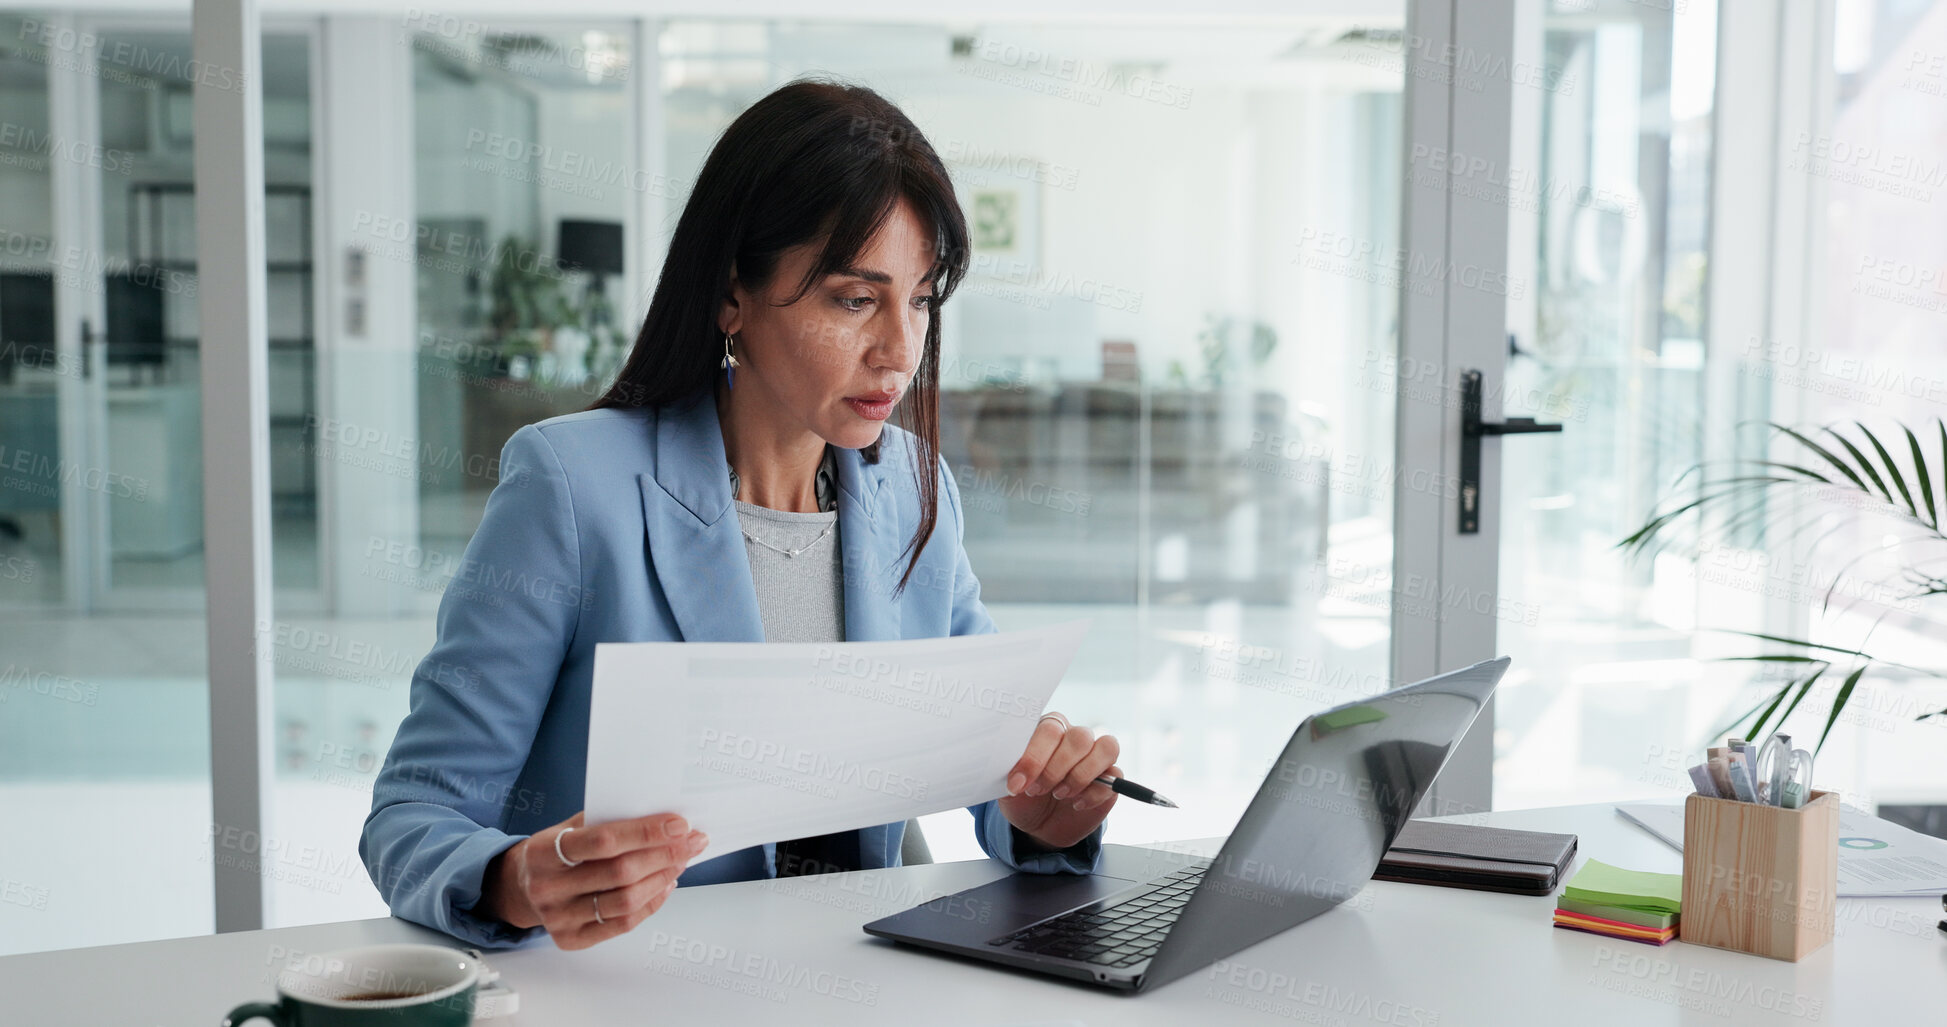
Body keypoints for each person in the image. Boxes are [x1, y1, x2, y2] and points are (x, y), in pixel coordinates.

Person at [358, 77, 1123, 951]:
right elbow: (414, 813)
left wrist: (1044, 814)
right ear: (731, 295)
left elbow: (991, 764)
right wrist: (514, 879)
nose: (899, 350)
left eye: (919, 300)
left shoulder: (914, 486)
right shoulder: (573, 486)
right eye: (853, 298)